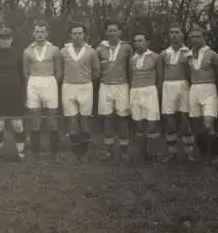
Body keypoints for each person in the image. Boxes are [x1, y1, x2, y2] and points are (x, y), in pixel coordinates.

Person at [60, 22, 100, 161]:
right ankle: (74, 152)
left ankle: (85, 152)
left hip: (85, 87)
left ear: (84, 35)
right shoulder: (63, 51)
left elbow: (96, 71)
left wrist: (85, 80)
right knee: (71, 120)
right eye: (74, 33)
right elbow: (60, 70)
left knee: (85, 120)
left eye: (80, 33)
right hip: (68, 87)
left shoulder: (91, 51)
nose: (77, 36)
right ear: (70, 35)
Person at [23, 21, 62, 161]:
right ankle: (35, 152)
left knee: (52, 118)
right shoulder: (27, 51)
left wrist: (50, 82)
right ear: (33, 33)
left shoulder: (54, 49)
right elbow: (25, 72)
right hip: (33, 82)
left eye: (42, 32)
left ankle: (55, 152)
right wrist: (34, 82)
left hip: (50, 81)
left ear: (47, 33)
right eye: (37, 32)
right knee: (35, 118)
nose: (39, 34)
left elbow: (58, 71)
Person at [0, 27, 26, 161]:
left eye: (7, 38)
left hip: (14, 91)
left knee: (17, 124)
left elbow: (22, 75)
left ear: (11, 40)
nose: (5, 41)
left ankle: (20, 152)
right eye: (2, 39)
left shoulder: (18, 55)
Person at [96, 21, 133, 160]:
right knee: (107, 118)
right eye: (110, 30)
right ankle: (108, 151)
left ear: (120, 32)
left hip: (122, 85)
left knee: (123, 118)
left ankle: (124, 151)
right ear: (106, 32)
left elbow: (131, 68)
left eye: (115, 30)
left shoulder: (127, 48)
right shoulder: (100, 48)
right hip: (105, 85)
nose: (112, 33)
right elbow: (96, 68)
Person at [159, 23, 194, 162]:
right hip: (168, 87)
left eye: (177, 32)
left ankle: (189, 152)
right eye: (172, 32)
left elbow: (192, 74)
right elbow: (160, 74)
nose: (174, 35)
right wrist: (160, 90)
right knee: (169, 121)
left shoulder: (189, 53)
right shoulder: (163, 53)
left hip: (184, 86)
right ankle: (171, 152)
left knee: (185, 120)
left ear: (182, 34)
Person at [187, 26, 218, 164]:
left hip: (209, 89)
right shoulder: (188, 55)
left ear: (204, 38)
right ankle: (203, 153)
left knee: (208, 124)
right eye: (192, 37)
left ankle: (215, 154)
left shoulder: (212, 54)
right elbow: (187, 73)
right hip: (194, 89)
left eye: (198, 36)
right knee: (197, 125)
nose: (195, 39)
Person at [129, 32, 162, 160]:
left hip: (150, 91)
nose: (138, 43)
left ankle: (153, 152)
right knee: (139, 124)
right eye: (136, 41)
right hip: (136, 91)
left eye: (141, 40)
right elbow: (130, 76)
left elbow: (159, 78)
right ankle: (142, 154)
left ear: (147, 42)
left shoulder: (155, 57)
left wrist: (158, 94)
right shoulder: (132, 59)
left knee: (152, 124)